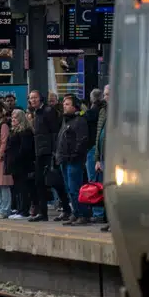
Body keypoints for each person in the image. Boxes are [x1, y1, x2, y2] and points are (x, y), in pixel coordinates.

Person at [56, 95, 94, 226]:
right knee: (69, 188)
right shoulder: (66, 121)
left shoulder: (80, 121)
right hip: (64, 159)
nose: (64, 106)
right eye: (64, 104)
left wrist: (75, 154)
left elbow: (82, 140)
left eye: (67, 104)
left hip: (74, 159)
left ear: (75, 107)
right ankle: (76, 212)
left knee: (75, 188)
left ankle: (83, 214)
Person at [27, 90, 59, 222]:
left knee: (55, 182)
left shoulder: (48, 111)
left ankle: (66, 209)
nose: (33, 100)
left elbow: (54, 132)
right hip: (39, 151)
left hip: (47, 151)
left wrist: (54, 151)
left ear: (41, 98)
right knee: (39, 182)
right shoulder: (36, 113)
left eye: (35, 97)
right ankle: (42, 212)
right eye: (31, 98)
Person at [94, 85, 111, 232]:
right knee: (107, 191)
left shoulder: (119, 112)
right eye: (105, 94)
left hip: (115, 157)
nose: (104, 97)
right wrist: (97, 159)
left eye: (107, 94)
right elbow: (98, 135)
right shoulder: (103, 111)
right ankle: (109, 220)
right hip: (104, 156)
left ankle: (114, 221)